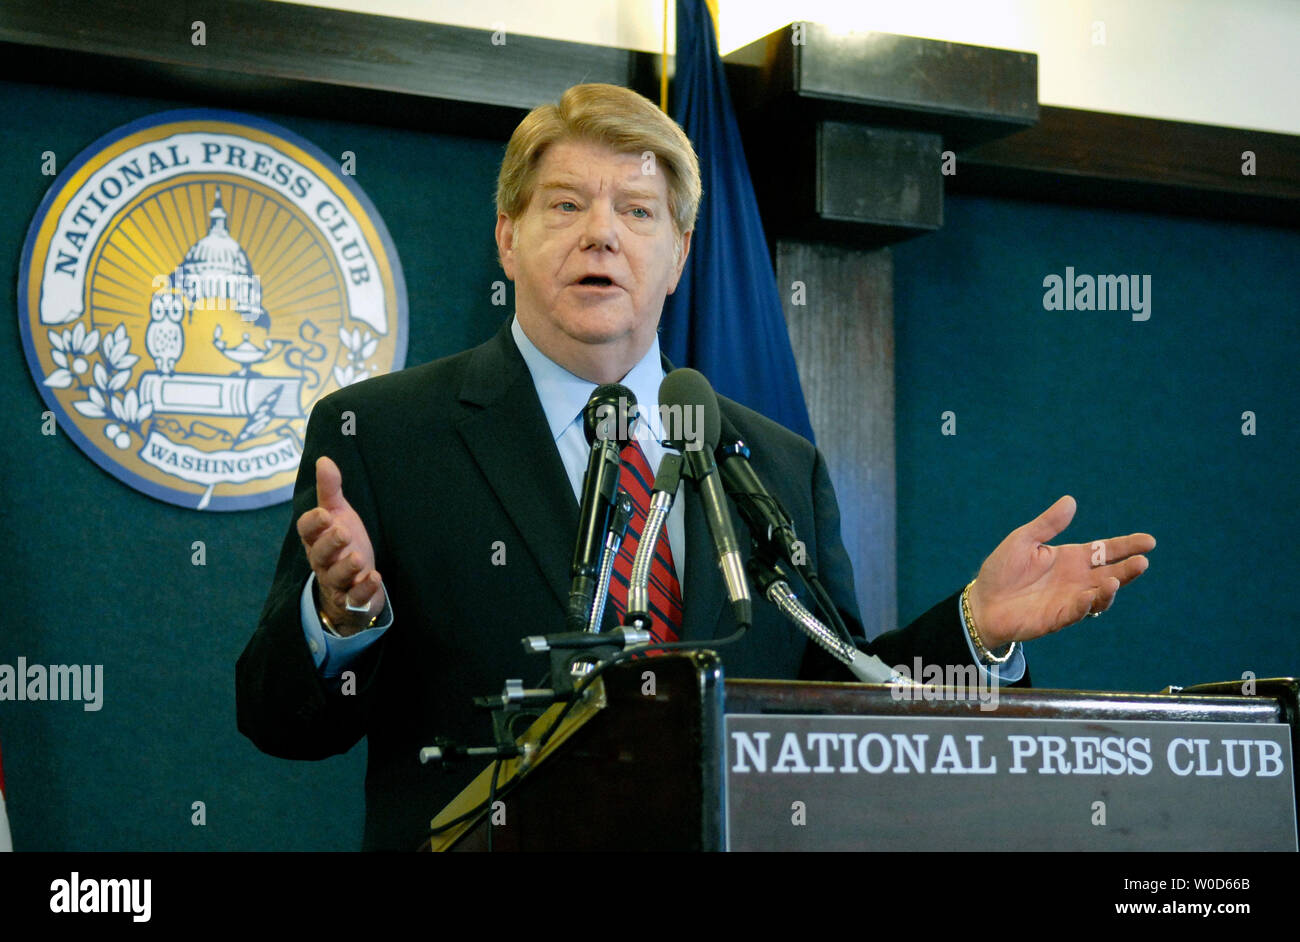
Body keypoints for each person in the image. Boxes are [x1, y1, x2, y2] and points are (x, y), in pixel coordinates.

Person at [236, 83, 1155, 851]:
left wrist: (975, 629)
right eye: (565, 205)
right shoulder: (383, 434)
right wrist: (340, 618)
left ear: (678, 253)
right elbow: (278, 722)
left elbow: (827, 709)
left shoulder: (774, 460)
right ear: (508, 236)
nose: (602, 235)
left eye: (638, 212)